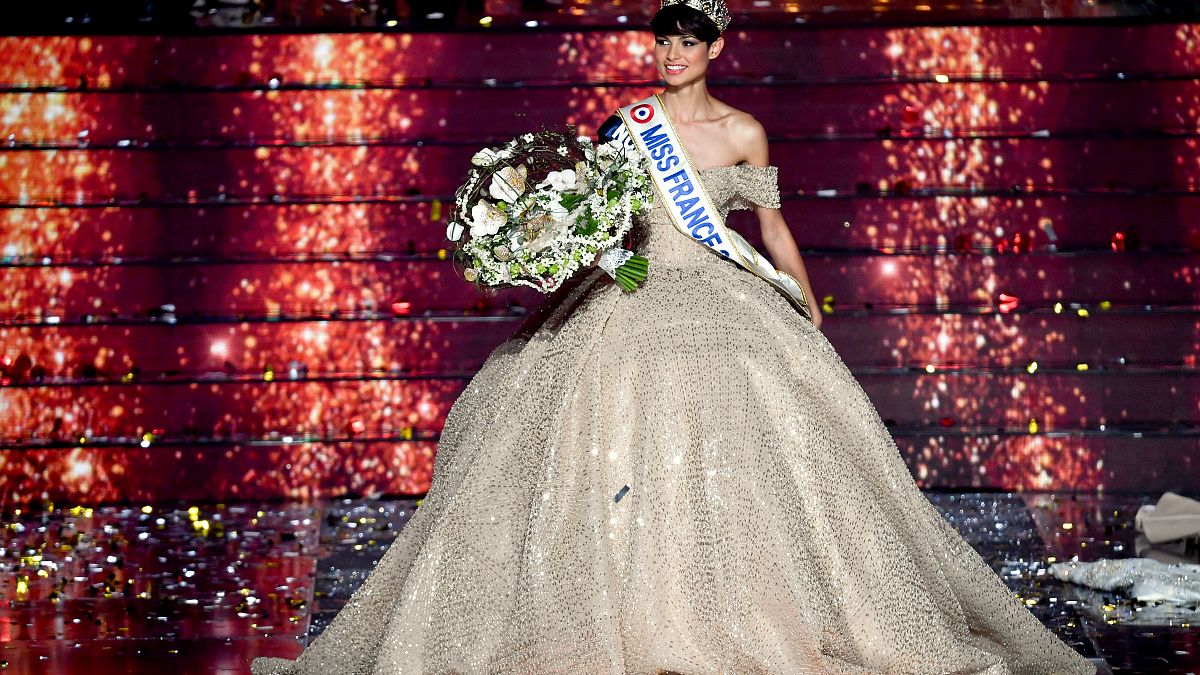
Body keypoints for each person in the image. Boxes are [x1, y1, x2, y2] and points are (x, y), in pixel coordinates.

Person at [252, 1, 1098, 673]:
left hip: (724, 298)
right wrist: (580, 258)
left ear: (716, 47)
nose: (670, 55)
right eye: (662, 42)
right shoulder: (628, 127)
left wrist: (806, 308)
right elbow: (604, 225)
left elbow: (771, 229)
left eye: (687, 43)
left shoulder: (742, 133)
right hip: (636, 289)